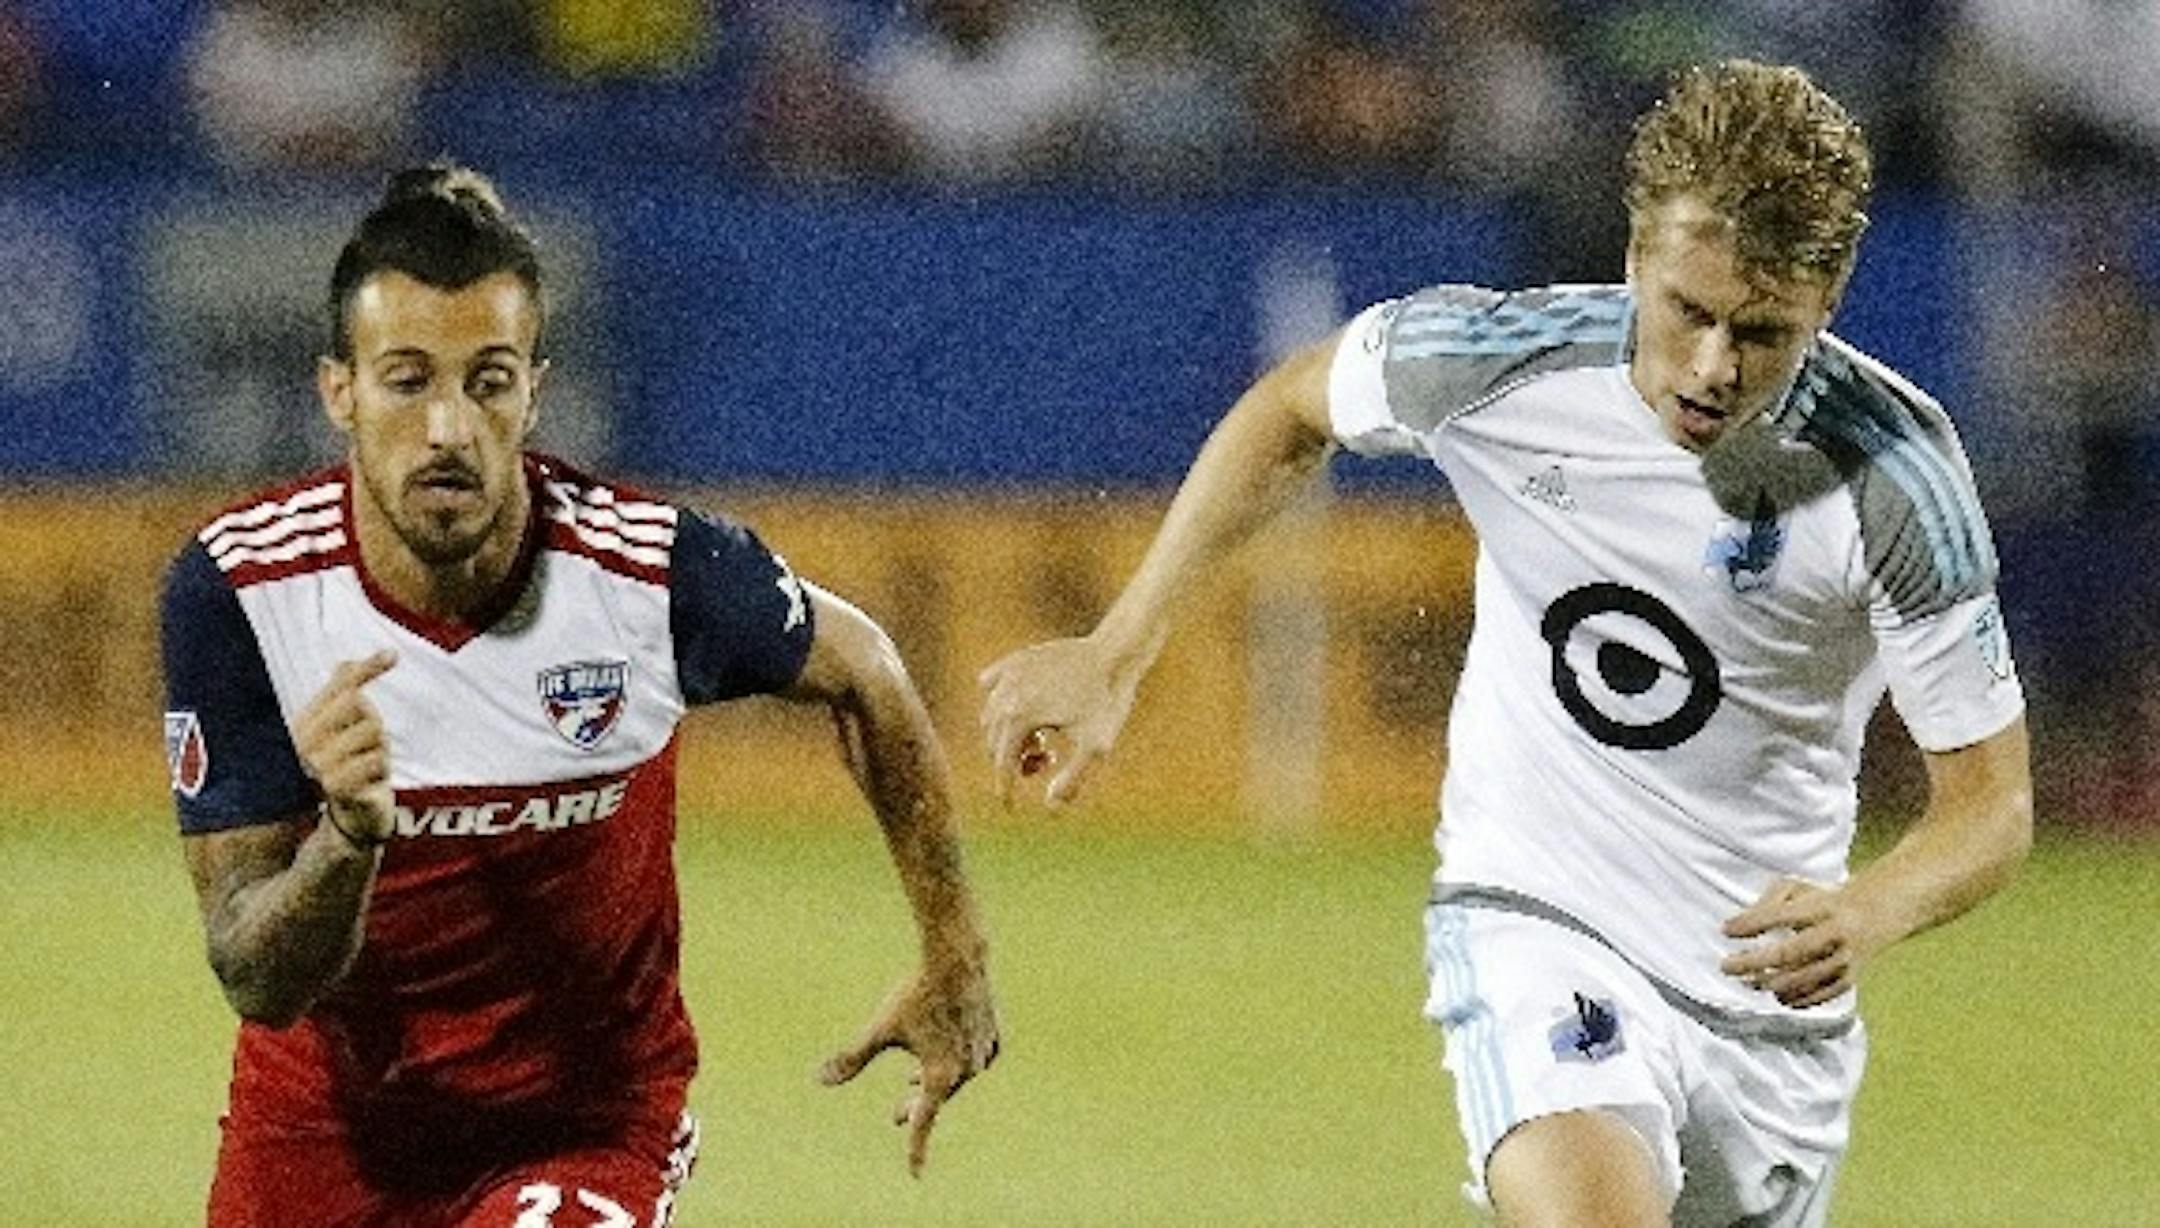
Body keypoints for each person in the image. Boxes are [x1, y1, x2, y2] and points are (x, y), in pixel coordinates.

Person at [980, 60, 2031, 1227]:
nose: (1713, 366)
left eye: (1763, 332)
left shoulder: (1895, 475)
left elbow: (1989, 805)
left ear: (1827, 305)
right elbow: (1292, 406)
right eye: (1687, 311)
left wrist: (1869, 908)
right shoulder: (1501, 363)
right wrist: (1122, 641)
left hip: (1762, 997)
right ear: (1635, 258)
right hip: (1537, 911)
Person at [160, 163, 999, 1227]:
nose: (451, 429)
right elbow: (255, 976)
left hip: (585, 1126)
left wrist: (955, 955)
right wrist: (350, 836)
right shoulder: (242, 590)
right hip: (328, 1131)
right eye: (408, 379)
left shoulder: (652, 574)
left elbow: (868, 671)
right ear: (340, 391)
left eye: (489, 380)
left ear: (535, 391)